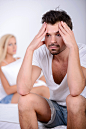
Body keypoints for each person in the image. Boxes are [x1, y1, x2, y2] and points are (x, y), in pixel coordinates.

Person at [17, 10, 86, 129]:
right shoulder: (42, 53)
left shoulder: (81, 51)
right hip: (56, 109)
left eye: (58, 34)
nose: (52, 41)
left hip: (80, 109)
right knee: (24, 101)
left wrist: (73, 46)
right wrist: (30, 50)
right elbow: (23, 89)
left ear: (69, 35)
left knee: (74, 101)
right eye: (48, 35)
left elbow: (75, 90)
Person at [0, 34, 50, 104]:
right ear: (3, 47)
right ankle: (57, 112)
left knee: (48, 74)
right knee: (43, 90)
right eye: (10, 44)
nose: (14, 47)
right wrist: (27, 84)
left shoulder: (19, 59)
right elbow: (8, 90)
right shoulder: (2, 65)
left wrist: (32, 81)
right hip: (9, 97)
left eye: (15, 43)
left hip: (25, 87)